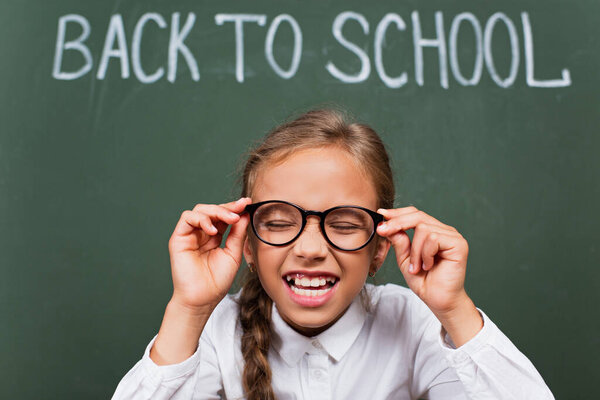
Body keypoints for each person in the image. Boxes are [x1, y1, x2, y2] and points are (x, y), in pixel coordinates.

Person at [112, 107, 554, 399]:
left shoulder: (413, 324)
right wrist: (188, 309)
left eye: (342, 225)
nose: (308, 249)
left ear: (380, 247)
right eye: (281, 223)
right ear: (247, 244)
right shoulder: (213, 332)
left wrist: (456, 310)